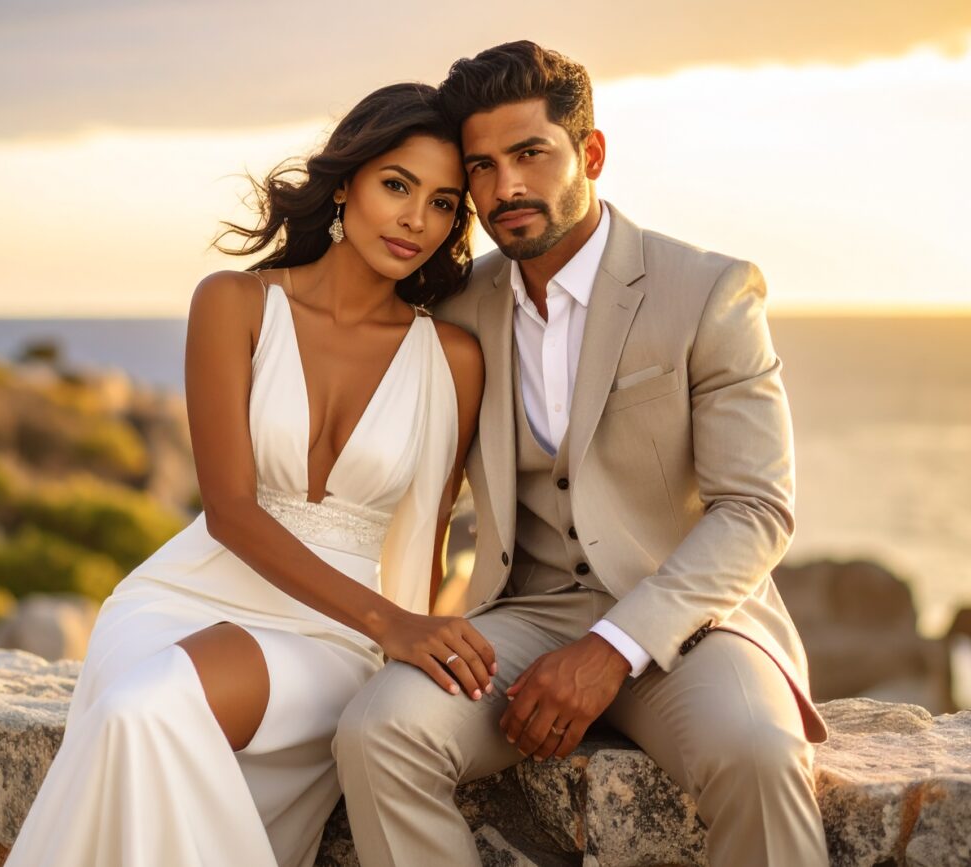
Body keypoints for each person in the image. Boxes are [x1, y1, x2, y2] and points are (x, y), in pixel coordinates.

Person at [334, 42, 830, 866]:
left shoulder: (706, 291)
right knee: (378, 730)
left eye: (531, 154)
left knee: (757, 754)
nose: (505, 188)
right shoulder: (457, 305)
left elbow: (757, 509)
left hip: (692, 621)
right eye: (483, 166)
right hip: (522, 617)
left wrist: (611, 648)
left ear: (590, 153)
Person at [3, 82, 492, 867]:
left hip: (335, 633)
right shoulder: (234, 303)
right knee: (136, 711)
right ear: (346, 183)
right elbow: (229, 509)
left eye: (442, 203)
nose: (415, 220)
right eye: (397, 185)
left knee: (144, 712)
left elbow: (426, 540)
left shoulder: (452, 358)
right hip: (185, 595)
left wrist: (405, 642)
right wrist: (392, 622)